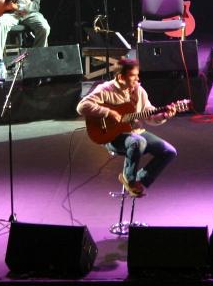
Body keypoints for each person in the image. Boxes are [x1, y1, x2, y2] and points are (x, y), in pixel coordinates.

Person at [76, 58, 178, 198]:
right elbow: (81, 106)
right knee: (138, 142)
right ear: (120, 77)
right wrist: (108, 112)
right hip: (111, 136)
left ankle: (139, 180)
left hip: (135, 132)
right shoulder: (106, 89)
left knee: (169, 151)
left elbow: (149, 115)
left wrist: (164, 116)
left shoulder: (139, 91)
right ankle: (128, 179)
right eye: (133, 75)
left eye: (137, 75)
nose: (137, 78)